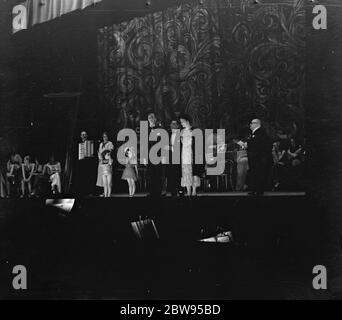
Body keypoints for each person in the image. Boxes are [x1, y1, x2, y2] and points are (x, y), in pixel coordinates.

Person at [243, 118, 272, 196]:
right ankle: (255, 189)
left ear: (257, 124)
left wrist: (247, 145)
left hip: (258, 158)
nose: (250, 124)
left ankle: (258, 190)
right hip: (255, 158)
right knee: (254, 173)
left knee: (258, 174)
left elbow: (258, 145)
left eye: (252, 123)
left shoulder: (260, 133)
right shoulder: (255, 133)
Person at [179, 114, 202, 197]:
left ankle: (194, 190)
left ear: (187, 121)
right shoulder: (182, 132)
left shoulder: (195, 130)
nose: (181, 123)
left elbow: (199, 145)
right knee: (186, 172)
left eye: (182, 121)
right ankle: (188, 190)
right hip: (184, 155)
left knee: (194, 172)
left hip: (193, 154)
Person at [146, 112, 163, 197]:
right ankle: (152, 192)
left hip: (158, 154)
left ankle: (158, 192)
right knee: (151, 174)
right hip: (149, 155)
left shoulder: (159, 128)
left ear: (155, 119)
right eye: (149, 117)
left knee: (158, 173)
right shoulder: (146, 129)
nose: (151, 119)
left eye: (152, 117)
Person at [165, 119, 182, 196]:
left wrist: (170, 148)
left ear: (178, 126)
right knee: (170, 174)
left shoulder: (181, 134)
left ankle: (179, 189)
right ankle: (172, 190)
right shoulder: (168, 134)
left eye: (174, 124)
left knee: (178, 174)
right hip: (170, 158)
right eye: (171, 124)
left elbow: (181, 147)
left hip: (178, 157)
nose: (172, 125)